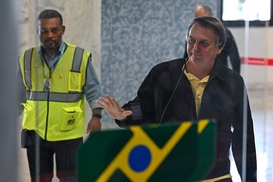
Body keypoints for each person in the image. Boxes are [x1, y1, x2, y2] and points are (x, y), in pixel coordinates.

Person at [97, 16, 257, 181]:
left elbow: (244, 137)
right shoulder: (163, 73)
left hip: (216, 176)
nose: (195, 48)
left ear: (220, 47)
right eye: (191, 41)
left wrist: (250, 178)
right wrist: (123, 115)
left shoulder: (232, 82)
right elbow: (143, 108)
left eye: (204, 43)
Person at [18, 9, 103, 182]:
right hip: (36, 133)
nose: (50, 35)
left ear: (63, 30)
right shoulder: (27, 58)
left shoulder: (79, 57)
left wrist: (96, 116)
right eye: (44, 31)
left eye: (55, 30)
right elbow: (17, 94)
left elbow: (93, 89)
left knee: (70, 179)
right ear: (38, 31)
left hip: (69, 134)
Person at [184, 4, 241, 74]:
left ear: (211, 16)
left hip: (219, 76)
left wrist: (235, 80)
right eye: (198, 19)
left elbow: (235, 59)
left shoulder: (224, 33)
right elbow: (186, 57)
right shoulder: (192, 33)